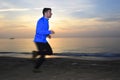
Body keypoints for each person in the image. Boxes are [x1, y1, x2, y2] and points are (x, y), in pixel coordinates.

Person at [32, 8, 55, 72]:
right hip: (39, 41)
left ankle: (36, 53)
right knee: (42, 57)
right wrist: (49, 32)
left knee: (50, 52)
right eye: (50, 12)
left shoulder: (46, 21)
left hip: (43, 40)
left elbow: (43, 31)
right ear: (45, 13)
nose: (51, 14)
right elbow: (38, 31)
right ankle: (36, 68)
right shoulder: (41, 21)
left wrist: (47, 35)